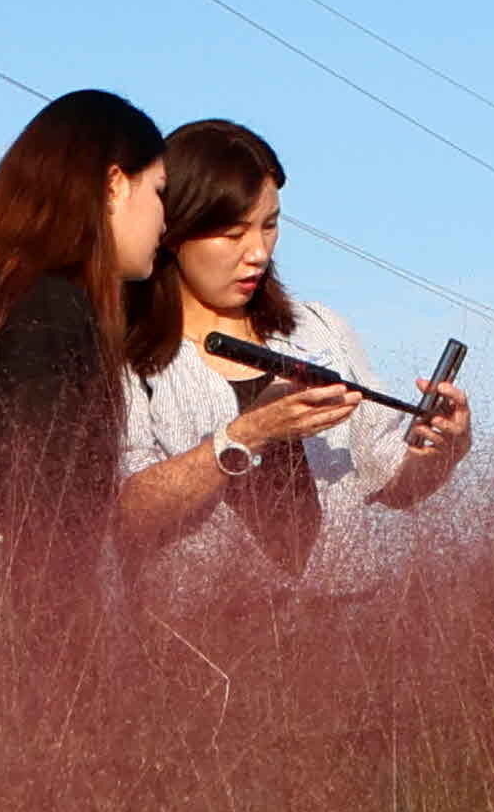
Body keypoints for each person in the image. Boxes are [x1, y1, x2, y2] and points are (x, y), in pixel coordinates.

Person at [118, 119, 469, 666]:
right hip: (196, 661)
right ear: (174, 230)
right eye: (233, 234)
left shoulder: (321, 331)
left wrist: (442, 450)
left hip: (346, 653)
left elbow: (393, 482)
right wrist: (246, 435)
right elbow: (128, 513)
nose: (257, 252)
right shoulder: (127, 357)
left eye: (270, 226)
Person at [0, 89, 165, 668]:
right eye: (159, 192)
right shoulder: (55, 308)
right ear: (114, 185)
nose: (165, 221)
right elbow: (49, 502)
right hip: (5, 610)